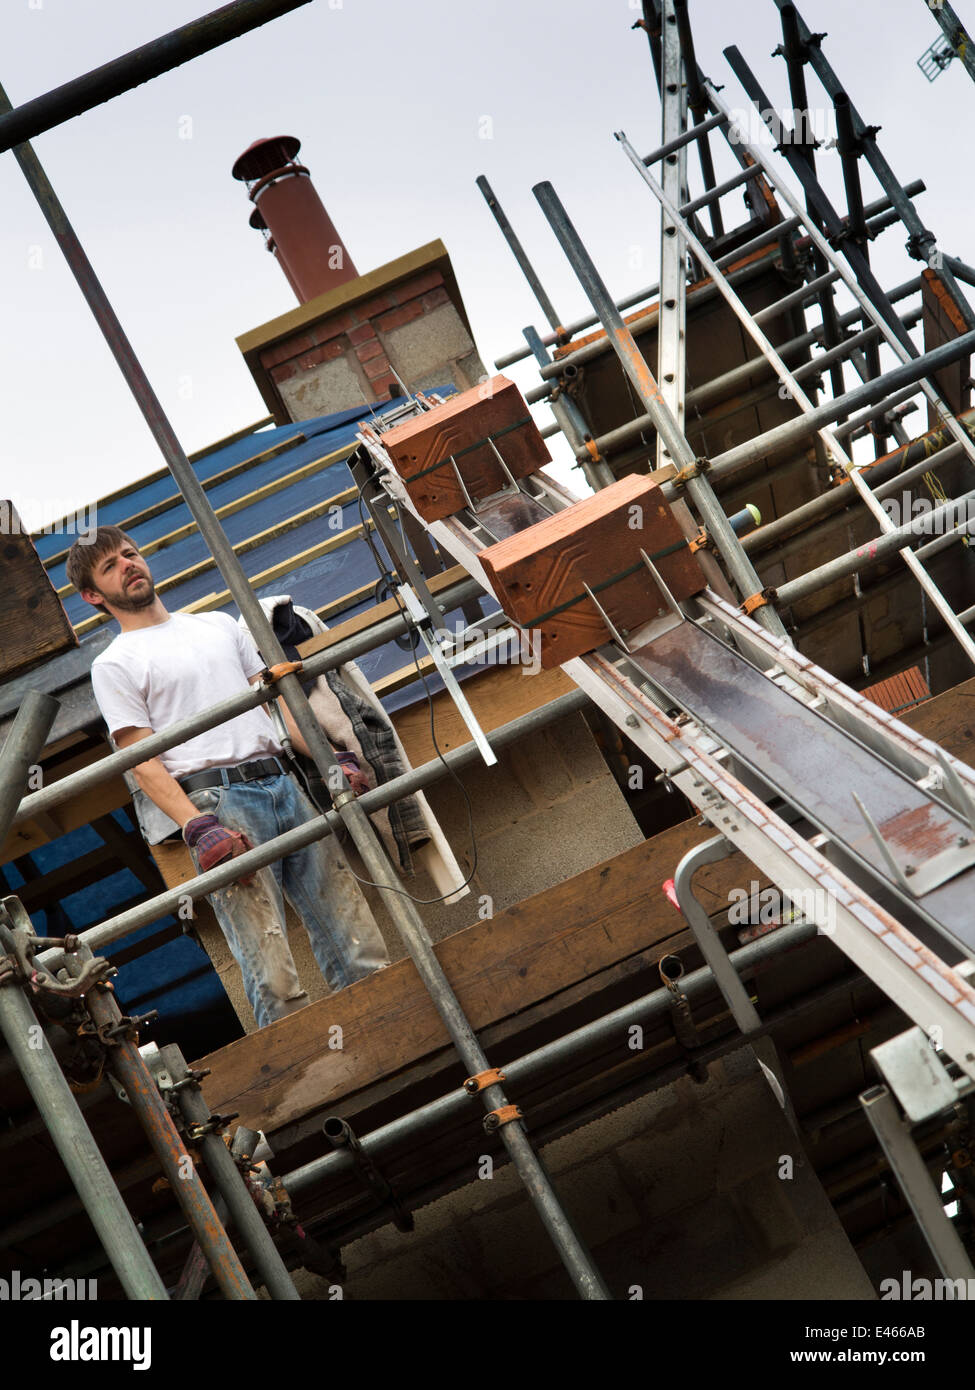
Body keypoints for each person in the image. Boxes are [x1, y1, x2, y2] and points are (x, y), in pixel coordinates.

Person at [67, 525, 390, 1029]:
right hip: (218, 804)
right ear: (92, 596)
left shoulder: (218, 625)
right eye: (110, 566)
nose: (128, 565)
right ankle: (307, 1081)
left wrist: (330, 758)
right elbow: (138, 755)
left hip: (283, 782)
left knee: (357, 940)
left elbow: (280, 705)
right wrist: (196, 826)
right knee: (273, 976)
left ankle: (391, 1034)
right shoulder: (115, 664)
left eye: (131, 554)